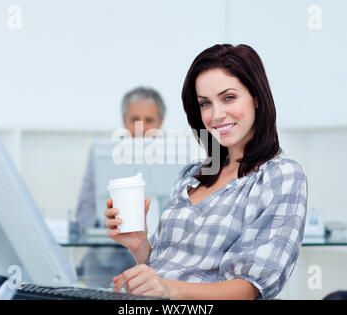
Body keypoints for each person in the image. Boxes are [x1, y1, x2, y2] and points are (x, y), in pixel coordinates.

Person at [104, 44, 308, 300]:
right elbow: (169, 267)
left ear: (256, 96)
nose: (216, 115)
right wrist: (140, 245)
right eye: (205, 103)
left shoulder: (280, 176)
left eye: (229, 98)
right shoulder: (192, 176)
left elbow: (247, 289)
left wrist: (168, 289)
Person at [74, 86, 166, 288]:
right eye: (134, 120)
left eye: (149, 120)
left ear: (160, 123)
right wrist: (105, 227)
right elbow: (84, 211)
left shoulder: (174, 157)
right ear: (124, 121)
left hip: (157, 258)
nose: (141, 127)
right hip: (106, 257)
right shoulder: (103, 155)